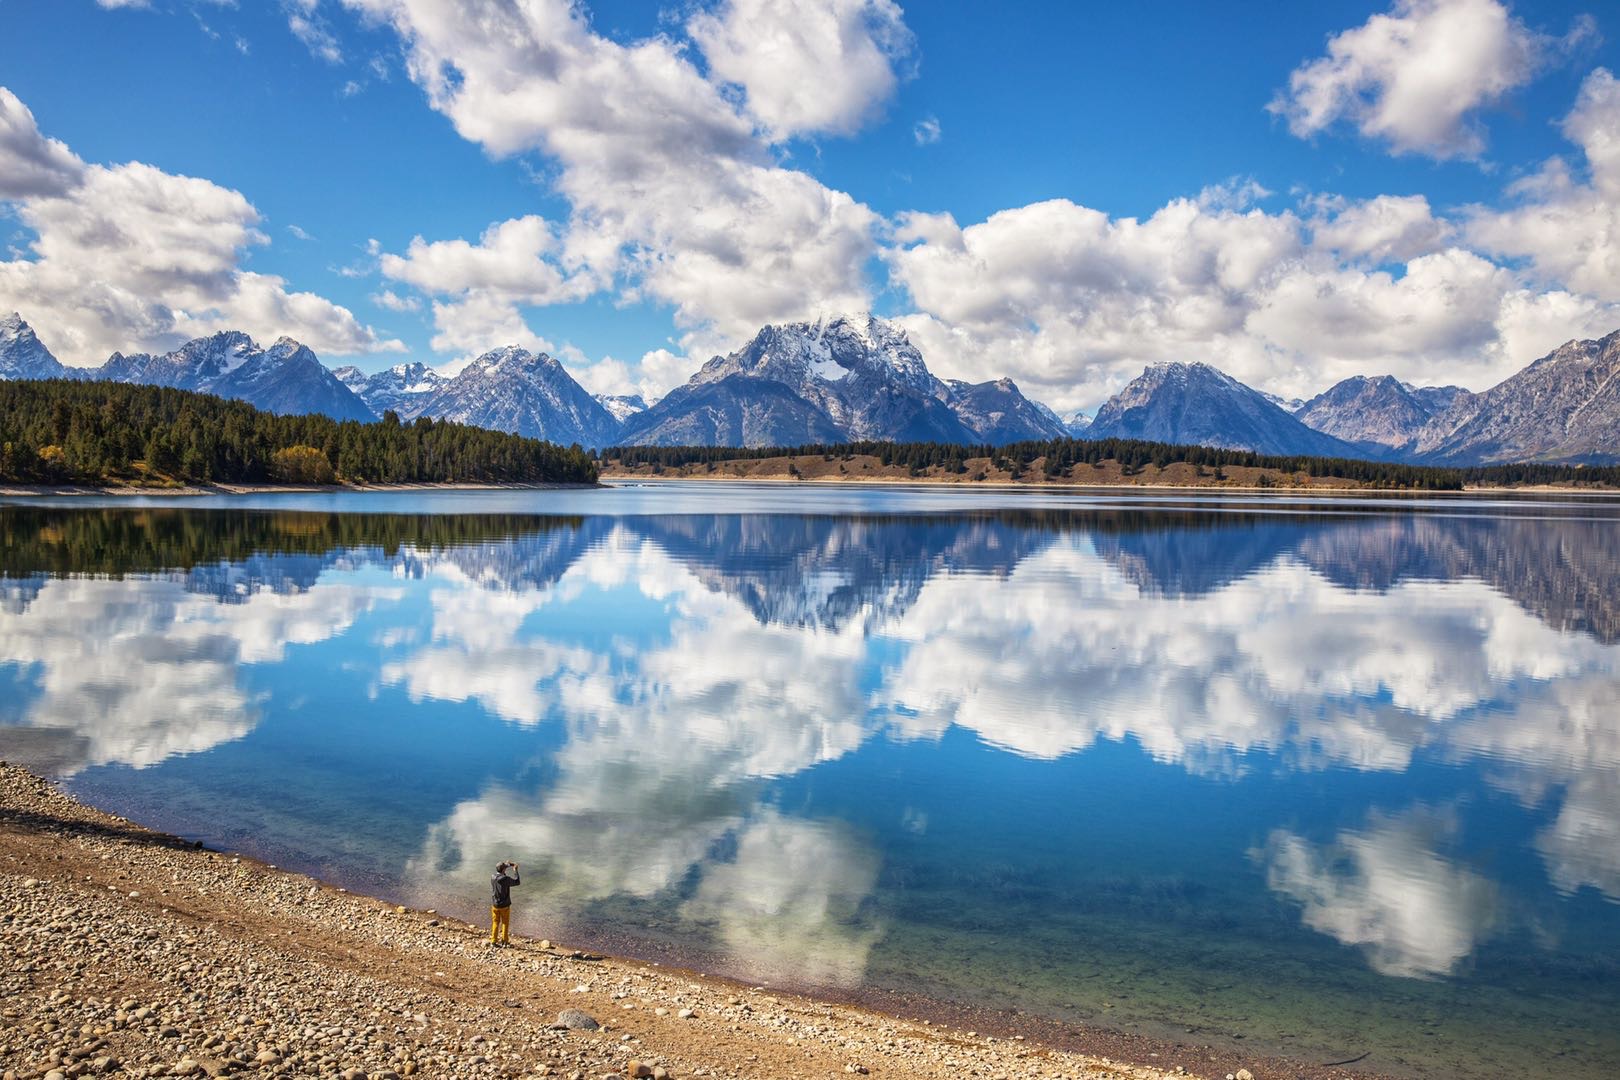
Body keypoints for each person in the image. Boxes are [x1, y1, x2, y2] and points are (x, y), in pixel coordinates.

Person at [489, 860, 520, 946]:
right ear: (503, 870)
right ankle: (504, 941)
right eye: (505, 868)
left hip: (495, 904)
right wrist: (515, 870)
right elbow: (517, 882)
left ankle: (493, 941)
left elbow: (502, 873)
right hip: (504, 906)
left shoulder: (492, 876)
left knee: (495, 922)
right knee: (505, 923)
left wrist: (509, 864)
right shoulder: (505, 879)